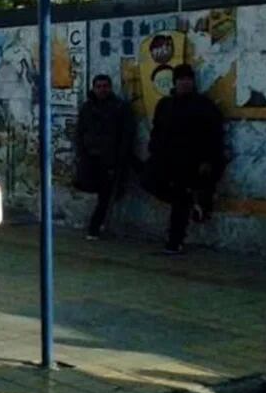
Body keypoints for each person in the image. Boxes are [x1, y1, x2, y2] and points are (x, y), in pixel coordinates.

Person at [147, 64, 225, 254]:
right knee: (151, 183)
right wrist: (154, 151)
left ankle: (175, 241)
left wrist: (208, 160)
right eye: (181, 79)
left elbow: (215, 135)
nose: (185, 83)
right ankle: (193, 203)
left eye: (188, 79)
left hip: (191, 162)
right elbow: (157, 131)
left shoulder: (204, 105)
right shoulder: (165, 104)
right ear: (175, 82)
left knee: (180, 199)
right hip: (166, 161)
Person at [76, 75, 135, 240]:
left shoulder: (119, 107)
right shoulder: (88, 108)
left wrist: (120, 157)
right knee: (96, 191)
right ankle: (96, 226)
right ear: (94, 88)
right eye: (99, 86)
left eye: (105, 86)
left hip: (110, 159)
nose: (102, 90)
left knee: (106, 195)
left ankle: (94, 227)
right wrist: (82, 152)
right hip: (91, 159)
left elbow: (126, 134)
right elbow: (80, 132)